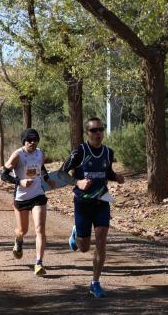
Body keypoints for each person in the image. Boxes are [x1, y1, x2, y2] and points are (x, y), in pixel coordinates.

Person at [60, 117, 125, 298]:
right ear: (87, 133)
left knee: (102, 240)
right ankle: (76, 233)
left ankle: (95, 282)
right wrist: (77, 182)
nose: (98, 133)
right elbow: (61, 173)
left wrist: (116, 177)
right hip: (82, 203)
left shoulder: (108, 152)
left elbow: (107, 172)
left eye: (100, 130)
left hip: (102, 201)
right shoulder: (80, 152)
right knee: (84, 248)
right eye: (93, 130)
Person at [0, 128, 55, 277]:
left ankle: (39, 263)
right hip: (22, 198)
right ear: (24, 141)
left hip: (38, 195)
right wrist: (20, 181)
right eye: (29, 140)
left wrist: (47, 179)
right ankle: (18, 240)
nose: (33, 143)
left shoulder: (40, 153)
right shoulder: (17, 155)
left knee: (40, 229)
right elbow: (3, 175)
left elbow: (41, 167)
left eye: (35, 140)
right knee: (22, 230)